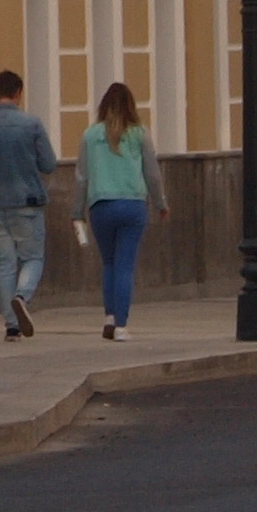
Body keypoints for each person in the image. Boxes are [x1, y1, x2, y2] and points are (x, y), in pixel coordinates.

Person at [0, 70, 58, 340]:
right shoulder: (31, 125)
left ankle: (11, 326)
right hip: (27, 201)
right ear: (19, 92)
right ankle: (22, 296)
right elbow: (48, 164)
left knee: (3, 263)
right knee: (32, 256)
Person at [80, 82, 152, 340]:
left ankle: (109, 317)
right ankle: (121, 326)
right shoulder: (140, 134)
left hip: (101, 206)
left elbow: (82, 177)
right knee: (125, 266)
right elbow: (152, 173)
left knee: (109, 263)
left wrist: (77, 211)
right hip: (133, 205)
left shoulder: (90, 135)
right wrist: (161, 202)